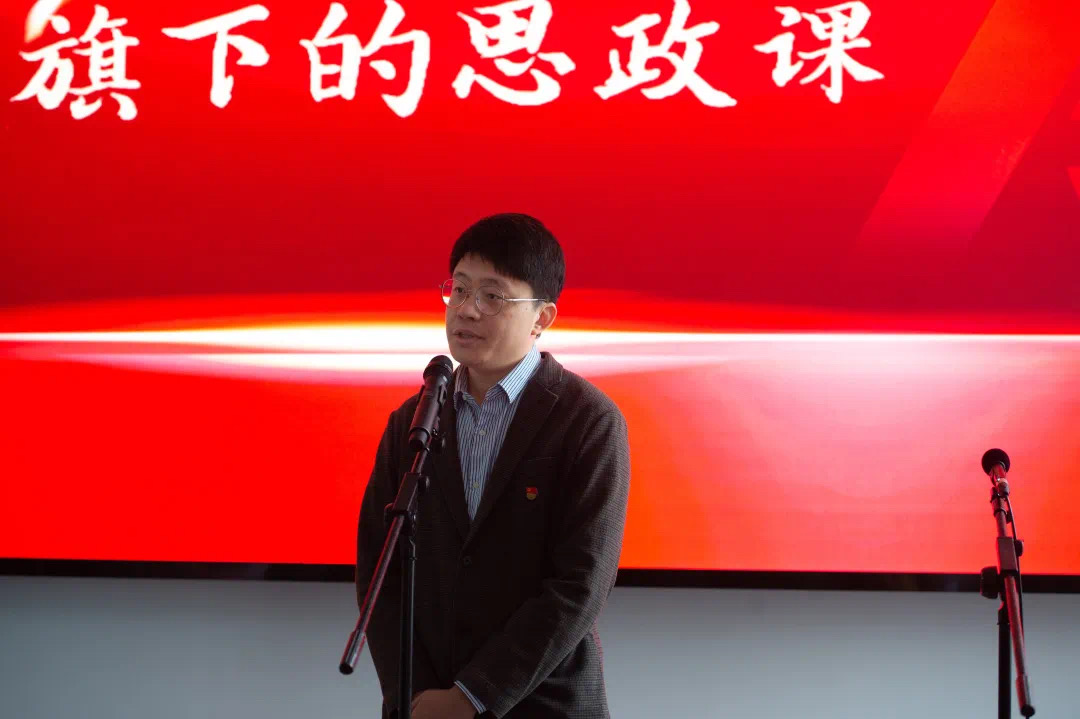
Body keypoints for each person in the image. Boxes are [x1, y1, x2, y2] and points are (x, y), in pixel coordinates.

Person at [355, 213, 631, 718]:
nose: (467, 310)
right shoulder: (412, 424)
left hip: (543, 704)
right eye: (459, 289)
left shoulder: (588, 421)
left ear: (542, 318)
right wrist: (414, 694)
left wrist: (471, 697)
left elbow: (580, 584)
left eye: (492, 296)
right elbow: (380, 568)